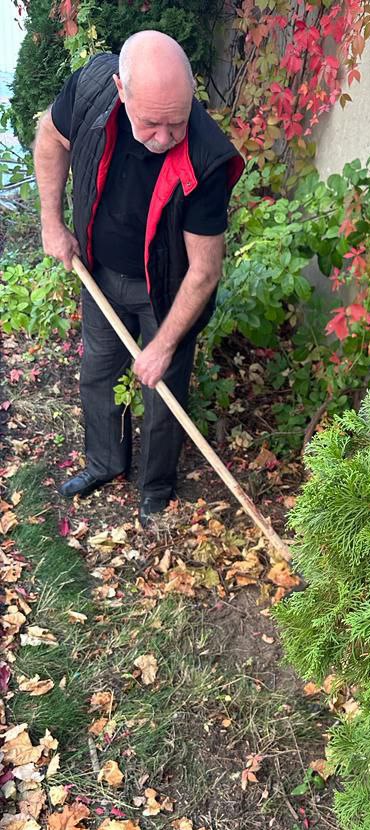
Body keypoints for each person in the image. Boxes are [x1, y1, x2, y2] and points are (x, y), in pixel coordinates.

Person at [33, 31, 244, 525]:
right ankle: (105, 464)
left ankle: (156, 488)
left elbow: (205, 269)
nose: (165, 137)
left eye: (176, 122)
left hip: (168, 291)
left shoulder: (207, 157)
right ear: (120, 90)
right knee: (99, 372)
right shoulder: (92, 93)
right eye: (151, 123)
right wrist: (51, 223)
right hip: (100, 272)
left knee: (163, 389)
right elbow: (50, 135)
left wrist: (165, 343)